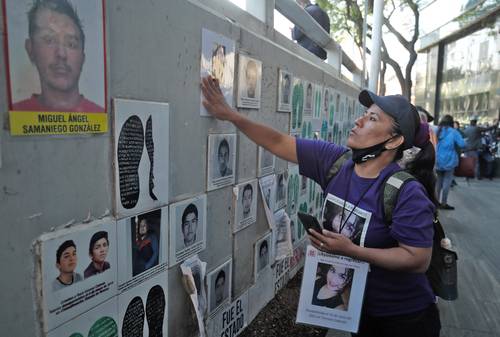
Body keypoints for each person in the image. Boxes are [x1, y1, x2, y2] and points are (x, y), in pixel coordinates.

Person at [201, 76, 441, 337]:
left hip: (404, 318)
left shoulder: (406, 192)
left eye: (373, 119)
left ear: (394, 141)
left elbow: (417, 259)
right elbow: (278, 142)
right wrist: (231, 115)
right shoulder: (335, 162)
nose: (359, 121)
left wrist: (352, 250)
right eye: (364, 114)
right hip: (358, 310)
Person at [13, 0, 104, 112]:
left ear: (83, 57)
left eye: (71, 44)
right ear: (30, 49)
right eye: (49, 40)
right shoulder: (18, 113)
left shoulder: (98, 114)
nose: (61, 54)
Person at [435, 115, 465, 210]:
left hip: (438, 159)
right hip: (450, 160)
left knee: (438, 182)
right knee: (447, 182)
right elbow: (462, 144)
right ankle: (444, 203)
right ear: (451, 122)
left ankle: (436, 203)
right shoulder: (454, 132)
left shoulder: (437, 130)